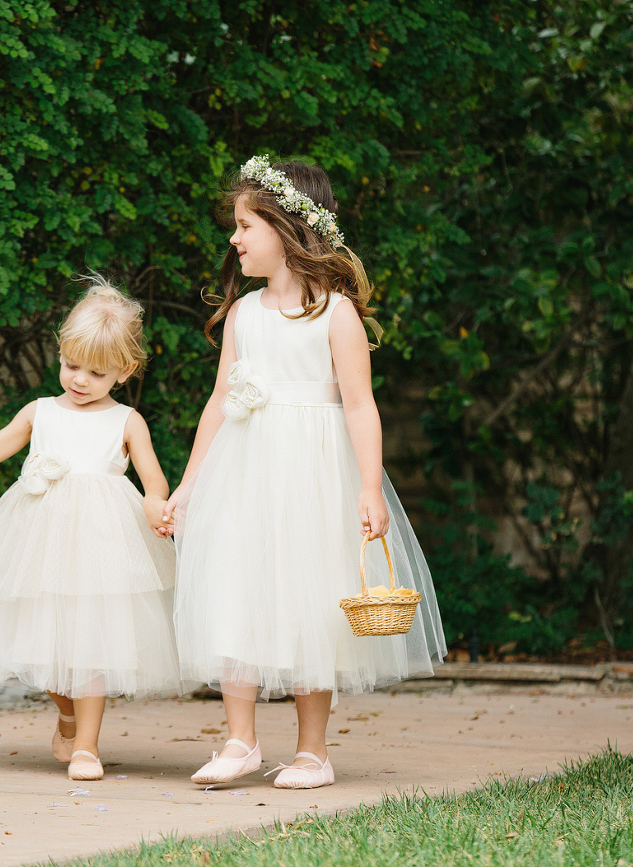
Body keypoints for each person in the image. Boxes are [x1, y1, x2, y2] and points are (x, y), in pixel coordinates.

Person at [161, 155, 447, 790]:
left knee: (307, 599)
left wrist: (370, 486)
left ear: (287, 228)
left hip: (312, 475)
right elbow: (219, 401)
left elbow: (360, 405)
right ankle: (239, 739)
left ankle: (313, 751)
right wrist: (189, 484)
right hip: (243, 471)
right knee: (236, 587)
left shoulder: (334, 313)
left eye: (245, 225)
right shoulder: (244, 315)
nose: (233, 239)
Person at [0, 278, 180, 781]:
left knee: (92, 642)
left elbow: (154, 482)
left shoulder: (128, 421)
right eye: (71, 365)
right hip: (40, 545)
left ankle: (87, 746)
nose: (80, 380)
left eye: (96, 371)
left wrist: (157, 507)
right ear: (60, 354)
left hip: (104, 546)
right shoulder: (39, 411)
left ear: (125, 371)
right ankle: (66, 714)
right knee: (41, 643)